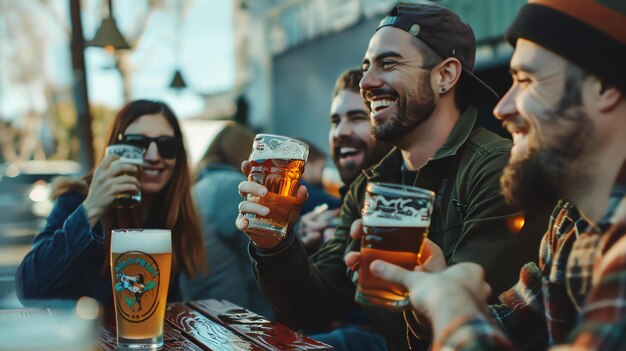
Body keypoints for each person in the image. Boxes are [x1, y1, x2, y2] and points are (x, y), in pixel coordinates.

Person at [236, 3, 550, 350]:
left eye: (389, 64)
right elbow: (314, 308)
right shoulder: (369, 184)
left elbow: (482, 330)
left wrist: (426, 290)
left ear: (445, 75)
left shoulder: (495, 169)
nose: (367, 82)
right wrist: (274, 243)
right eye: (367, 66)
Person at [370, 1, 626, 349]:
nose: (502, 107)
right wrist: (433, 291)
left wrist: (451, 305)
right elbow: (508, 328)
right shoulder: (570, 221)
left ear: (604, 86)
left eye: (526, 80)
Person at [16, 99, 206, 305]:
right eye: (138, 143)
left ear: (178, 155)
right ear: (115, 150)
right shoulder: (77, 200)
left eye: (166, 145)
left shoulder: (173, 210)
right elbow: (28, 288)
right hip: (85, 335)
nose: (153, 156)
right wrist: (92, 208)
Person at [301, 68, 393, 350]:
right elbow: (312, 307)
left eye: (357, 118)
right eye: (335, 120)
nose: (341, 131)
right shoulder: (346, 201)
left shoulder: (406, 193)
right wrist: (295, 245)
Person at [179, 122, 274, 318]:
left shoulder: (197, 189)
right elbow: (265, 253)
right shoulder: (230, 187)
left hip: (197, 312)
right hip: (235, 319)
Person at [298, 140, 340, 216]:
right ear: (307, 164)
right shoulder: (302, 187)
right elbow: (336, 204)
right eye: (321, 168)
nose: (323, 174)